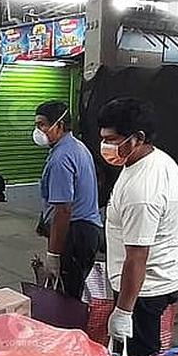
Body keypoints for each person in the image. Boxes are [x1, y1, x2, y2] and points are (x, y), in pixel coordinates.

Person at [99, 97, 178, 356]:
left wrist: (124, 311)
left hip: (145, 290)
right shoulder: (154, 160)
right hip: (156, 278)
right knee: (146, 351)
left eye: (112, 139)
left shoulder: (143, 191)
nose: (105, 146)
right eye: (103, 139)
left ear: (137, 138)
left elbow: (137, 257)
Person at [33, 101, 102, 299]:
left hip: (75, 234)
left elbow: (63, 210)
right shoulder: (77, 147)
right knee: (74, 291)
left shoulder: (61, 158)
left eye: (42, 125)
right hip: (86, 230)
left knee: (68, 299)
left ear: (60, 125)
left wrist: (53, 254)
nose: (38, 131)